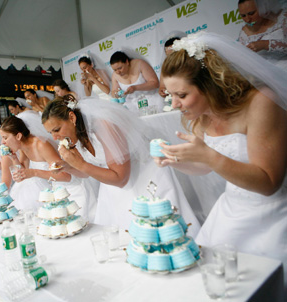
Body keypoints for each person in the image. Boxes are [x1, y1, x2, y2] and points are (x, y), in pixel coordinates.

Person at [154, 32, 287, 290]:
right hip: (230, 212)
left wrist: (209, 156)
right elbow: (204, 167)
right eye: (170, 95)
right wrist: (175, 159)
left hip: (273, 216)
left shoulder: (261, 102)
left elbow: (269, 183)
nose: (174, 104)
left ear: (210, 84)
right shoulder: (202, 115)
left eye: (181, 94)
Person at [42, 96, 200, 231]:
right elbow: (87, 172)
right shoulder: (75, 137)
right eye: (51, 133)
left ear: (72, 118)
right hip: (111, 186)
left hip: (145, 180)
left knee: (158, 235)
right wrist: (70, 166)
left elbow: (121, 178)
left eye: (57, 129)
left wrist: (80, 164)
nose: (55, 137)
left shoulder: (104, 126)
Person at [238, 0, 287, 68]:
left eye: (251, 13)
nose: (248, 19)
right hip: (265, 75)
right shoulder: (244, 32)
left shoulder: (283, 18)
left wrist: (265, 44)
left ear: (263, 7)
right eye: (243, 16)